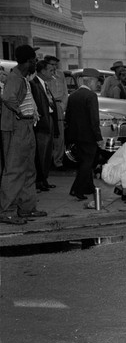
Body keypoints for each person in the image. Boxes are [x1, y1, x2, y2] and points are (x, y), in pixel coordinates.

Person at [0, 45, 47, 225]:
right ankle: (7, 211)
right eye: (34, 59)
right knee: (14, 171)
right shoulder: (15, 78)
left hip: (26, 126)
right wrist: (19, 111)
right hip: (17, 127)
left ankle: (27, 208)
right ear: (28, 61)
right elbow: (7, 97)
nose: (36, 62)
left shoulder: (22, 77)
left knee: (28, 170)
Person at [65, 68, 103, 201]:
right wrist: (98, 138)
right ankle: (77, 189)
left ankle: (89, 187)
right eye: (97, 81)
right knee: (87, 164)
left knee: (83, 162)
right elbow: (94, 120)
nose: (97, 85)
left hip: (76, 136)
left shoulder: (73, 95)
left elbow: (68, 117)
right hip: (89, 137)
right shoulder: (91, 96)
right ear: (91, 81)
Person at [30, 59, 59, 192]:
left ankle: (44, 179)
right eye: (50, 70)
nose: (53, 72)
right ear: (42, 71)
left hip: (50, 121)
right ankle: (39, 181)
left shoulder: (45, 85)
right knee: (41, 154)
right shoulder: (34, 84)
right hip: (42, 124)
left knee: (47, 153)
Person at [44, 55, 69, 170]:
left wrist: (63, 106)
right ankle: (47, 160)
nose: (54, 67)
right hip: (47, 105)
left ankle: (58, 161)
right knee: (48, 134)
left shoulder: (60, 74)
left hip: (58, 105)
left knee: (60, 135)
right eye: (51, 64)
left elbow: (65, 91)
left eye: (55, 65)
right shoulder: (44, 74)